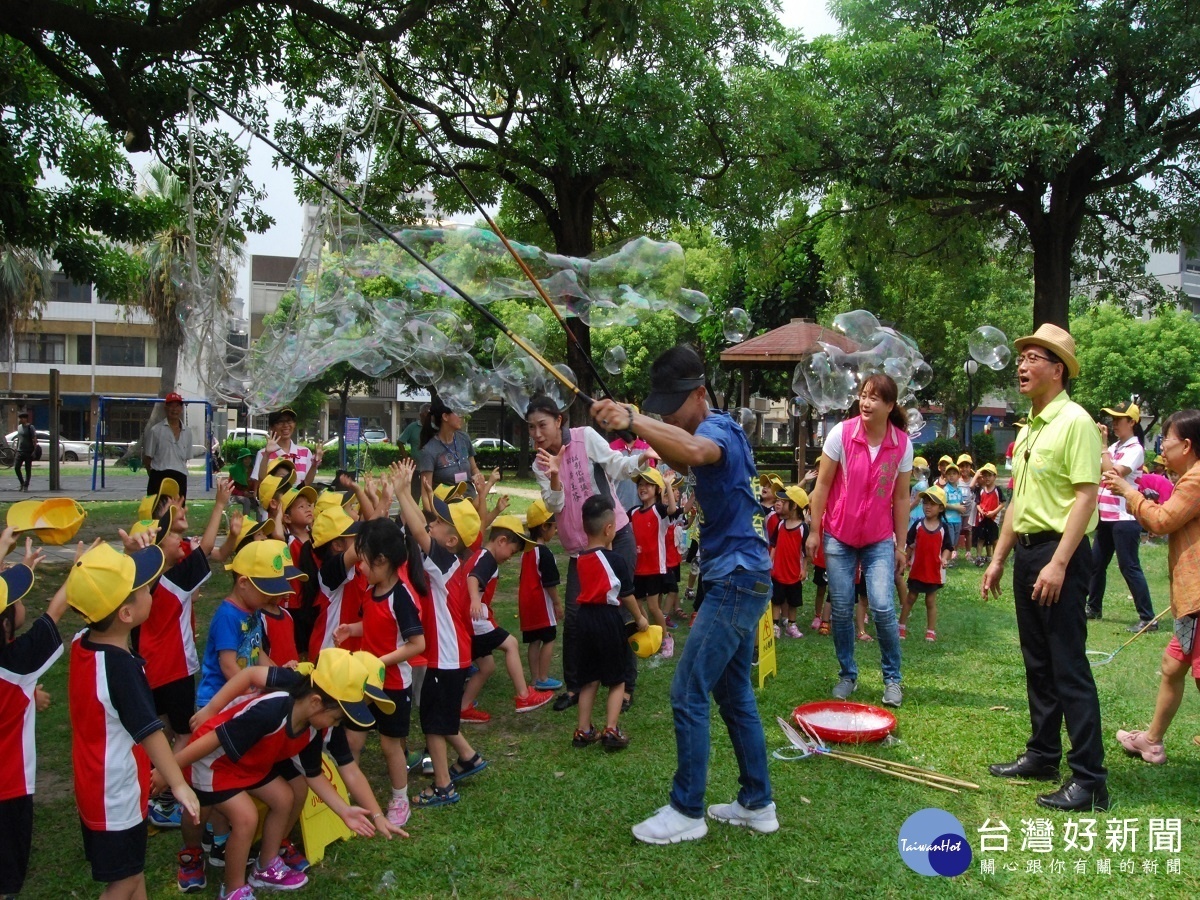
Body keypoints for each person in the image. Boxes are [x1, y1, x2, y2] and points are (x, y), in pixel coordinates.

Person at [590, 345, 777, 845]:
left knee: (687, 690)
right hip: (738, 574)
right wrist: (633, 425)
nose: (667, 412)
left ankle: (687, 810)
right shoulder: (705, 429)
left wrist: (633, 418)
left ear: (700, 393)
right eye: (660, 405)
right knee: (732, 692)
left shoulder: (715, 430)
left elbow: (693, 452)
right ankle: (756, 803)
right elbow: (675, 450)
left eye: (674, 401)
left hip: (737, 577)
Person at [981, 323, 1107, 812]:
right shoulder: (1031, 427)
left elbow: (1085, 496)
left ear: (1058, 369)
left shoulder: (1074, 421)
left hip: (1061, 554)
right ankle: (1043, 753)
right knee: (1038, 662)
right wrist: (998, 558)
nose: (1022, 365)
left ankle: (1090, 779)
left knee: (1067, 665)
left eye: (1034, 357)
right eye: (1022, 357)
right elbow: (1018, 500)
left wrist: (1058, 563)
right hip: (1030, 553)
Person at [174, 649, 380, 898]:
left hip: (249, 764)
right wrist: (170, 771)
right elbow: (214, 739)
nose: (335, 726)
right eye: (336, 718)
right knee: (241, 817)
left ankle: (264, 867)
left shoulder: (311, 727)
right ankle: (227, 886)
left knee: (284, 797)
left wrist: (344, 811)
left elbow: (314, 775)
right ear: (315, 702)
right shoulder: (272, 709)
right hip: (214, 763)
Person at [66, 542, 201, 900]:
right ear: (126, 614)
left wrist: (92, 573)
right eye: (142, 588)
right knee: (123, 882)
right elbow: (151, 732)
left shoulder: (84, 642)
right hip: (115, 795)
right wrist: (180, 784)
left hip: (99, 782)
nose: (150, 589)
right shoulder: (121, 668)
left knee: (133, 872)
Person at [526, 394, 643, 712]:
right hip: (581, 551)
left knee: (618, 612)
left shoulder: (585, 437)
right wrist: (552, 473)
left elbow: (617, 468)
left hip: (615, 537)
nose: (537, 434)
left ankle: (626, 686)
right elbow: (554, 505)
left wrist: (642, 460)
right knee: (577, 619)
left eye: (542, 425)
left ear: (559, 421)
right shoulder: (539, 461)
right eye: (531, 428)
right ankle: (576, 686)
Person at [806, 374, 912, 708]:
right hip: (838, 535)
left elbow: (902, 498)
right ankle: (847, 674)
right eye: (863, 395)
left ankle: (893, 679)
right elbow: (821, 485)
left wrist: (900, 544)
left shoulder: (902, 444)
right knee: (840, 608)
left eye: (874, 398)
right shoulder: (841, 433)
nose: (865, 402)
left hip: (879, 538)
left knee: (882, 605)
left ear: (889, 406)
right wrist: (814, 530)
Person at [1102, 410, 1200, 764]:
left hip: (1198, 597)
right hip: (1191, 597)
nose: (1162, 446)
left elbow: (1161, 521)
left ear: (1187, 445)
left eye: (1167, 440)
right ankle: (1152, 741)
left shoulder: (1196, 480)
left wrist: (1128, 491)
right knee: (1173, 664)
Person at [392, 459, 487, 808]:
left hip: (444, 658)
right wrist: (426, 499)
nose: (430, 526)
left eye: (437, 524)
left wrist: (404, 492)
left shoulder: (444, 564)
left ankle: (444, 785)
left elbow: (419, 532)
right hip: (453, 656)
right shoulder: (455, 563)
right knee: (441, 716)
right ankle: (468, 756)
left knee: (432, 723)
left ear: (449, 539)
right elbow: (425, 526)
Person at [0, 531, 56, 900]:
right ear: (6, 624)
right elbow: (56, 612)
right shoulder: (17, 663)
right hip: (9, 791)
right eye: (18, 598)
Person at [571, 495, 648, 751]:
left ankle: (583, 730)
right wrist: (639, 618)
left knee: (589, 678)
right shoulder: (616, 561)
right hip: (607, 619)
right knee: (617, 678)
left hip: (584, 620)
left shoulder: (581, 558)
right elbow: (626, 594)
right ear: (608, 529)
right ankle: (611, 729)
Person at [458, 515, 554, 720]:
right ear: (501, 541)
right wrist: (475, 600)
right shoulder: (488, 560)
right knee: (510, 644)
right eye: (511, 552)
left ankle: (464, 707)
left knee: (487, 666)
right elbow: (474, 578)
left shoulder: (478, 555)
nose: (509, 557)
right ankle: (524, 696)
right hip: (474, 620)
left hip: (466, 620)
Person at [1086, 401, 1156, 630]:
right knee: (1096, 564)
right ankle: (1093, 608)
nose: (1114, 423)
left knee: (1129, 567)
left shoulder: (1135, 449)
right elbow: (1099, 472)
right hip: (1106, 518)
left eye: (1119, 419)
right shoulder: (1116, 447)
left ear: (1132, 422)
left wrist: (1103, 445)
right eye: (1112, 419)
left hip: (1124, 519)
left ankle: (1148, 618)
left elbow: (1110, 473)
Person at [628, 468, 679, 658]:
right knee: (637, 605)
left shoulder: (659, 510)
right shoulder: (633, 512)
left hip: (655, 567)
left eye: (647, 484)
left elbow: (673, 510)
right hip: (638, 568)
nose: (642, 488)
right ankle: (650, 635)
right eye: (640, 485)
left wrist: (667, 485)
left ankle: (666, 638)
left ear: (656, 489)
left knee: (652, 606)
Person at [519, 500, 564, 690]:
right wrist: (557, 603)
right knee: (549, 638)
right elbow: (550, 583)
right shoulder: (544, 553)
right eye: (553, 527)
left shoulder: (526, 552)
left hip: (526, 604)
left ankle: (534, 678)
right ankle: (543, 678)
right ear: (544, 527)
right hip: (541, 604)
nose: (554, 531)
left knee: (534, 640)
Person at [900, 486, 953, 642]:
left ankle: (930, 630)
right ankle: (901, 626)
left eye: (932, 503)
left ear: (941, 508)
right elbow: (909, 544)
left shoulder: (943, 528)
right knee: (910, 598)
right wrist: (905, 560)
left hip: (933, 572)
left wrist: (944, 558)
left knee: (930, 601)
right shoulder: (917, 525)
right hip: (918, 570)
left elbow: (948, 548)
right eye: (925, 502)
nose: (927, 506)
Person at [419, 398, 479, 509]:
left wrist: (477, 476)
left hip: (472, 508)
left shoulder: (464, 439)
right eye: (457, 412)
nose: (461, 416)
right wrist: (433, 520)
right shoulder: (429, 450)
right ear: (445, 417)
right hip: (448, 515)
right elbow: (426, 495)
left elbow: (474, 468)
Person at [250, 407, 321, 492]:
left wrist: (314, 465)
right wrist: (267, 454)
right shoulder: (263, 453)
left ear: (294, 424)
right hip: (274, 503)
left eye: (289, 420)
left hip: (296, 503)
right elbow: (262, 481)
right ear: (271, 427)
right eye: (280, 421)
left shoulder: (305, 452)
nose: (286, 425)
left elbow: (306, 483)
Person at [770, 485, 809, 638]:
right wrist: (770, 562)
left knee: (793, 601)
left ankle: (792, 625)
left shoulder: (802, 528)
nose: (780, 503)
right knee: (776, 599)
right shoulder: (780, 524)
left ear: (794, 506)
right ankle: (775, 625)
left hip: (794, 572)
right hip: (778, 571)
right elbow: (774, 544)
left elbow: (806, 553)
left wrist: (804, 568)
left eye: (784, 501)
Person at [143, 392, 193, 497]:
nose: (174, 409)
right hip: (159, 476)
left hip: (180, 476)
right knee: (158, 510)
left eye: (177, 406)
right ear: (165, 408)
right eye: (171, 406)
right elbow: (147, 458)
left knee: (177, 510)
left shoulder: (187, 432)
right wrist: (153, 476)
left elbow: (186, 458)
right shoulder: (156, 430)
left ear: (181, 409)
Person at [972, 463, 1006, 565]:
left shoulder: (997, 490)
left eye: (989, 475)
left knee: (994, 539)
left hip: (993, 518)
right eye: (985, 475)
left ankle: (994, 558)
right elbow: (977, 503)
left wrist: (994, 512)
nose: (987, 478)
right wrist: (981, 510)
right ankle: (978, 557)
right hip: (982, 518)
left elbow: (1003, 503)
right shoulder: (981, 490)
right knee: (981, 538)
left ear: (995, 477)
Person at [12, 410, 36, 492]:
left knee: (27, 469)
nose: (20, 420)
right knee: (16, 467)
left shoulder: (30, 427)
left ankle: (26, 485)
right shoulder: (19, 427)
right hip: (20, 451)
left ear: (25, 419)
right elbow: (19, 438)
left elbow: (34, 439)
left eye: (21, 418)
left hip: (28, 451)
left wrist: (34, 450)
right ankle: (22, 483)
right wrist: (16, 447)